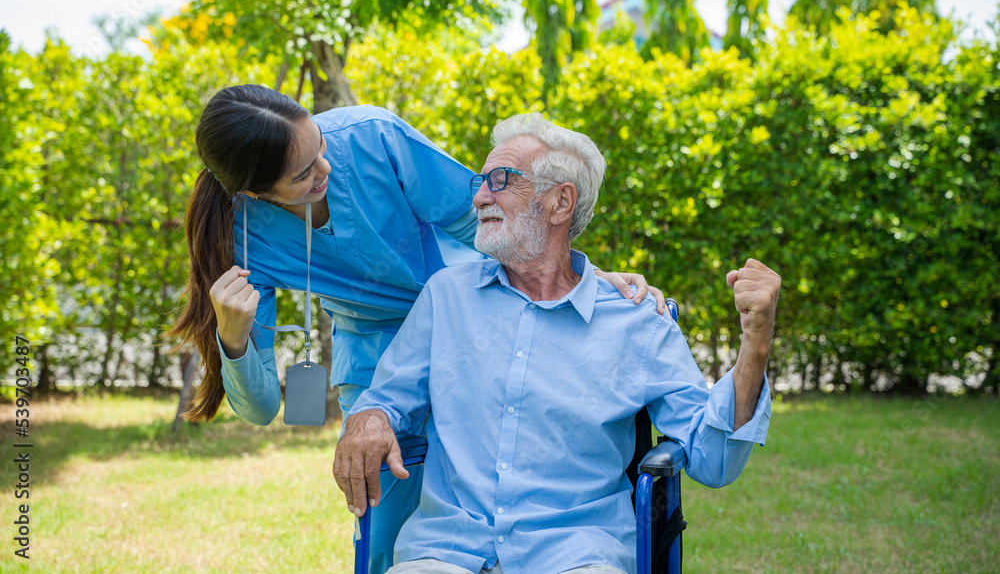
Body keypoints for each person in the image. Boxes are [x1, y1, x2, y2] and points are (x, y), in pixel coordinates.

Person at [168, 85, 668, 574]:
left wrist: (579, 276)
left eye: (320, 146)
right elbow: (258, 409)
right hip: (374, 363)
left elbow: (480, 214)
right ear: (256, 192)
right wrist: (232, 338)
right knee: (390, 545)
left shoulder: (371, 137)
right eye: (304, 173)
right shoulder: (240, 238)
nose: (327, 168)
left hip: (474, 331)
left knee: (505, 503)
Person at [333, 112, 782, 574]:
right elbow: (386, 399)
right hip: (446, 552)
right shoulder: (446, 297)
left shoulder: (636, 322)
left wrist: (756, 345)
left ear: (559, 202)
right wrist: (369, 417)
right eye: (480, 182)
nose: (480, 196)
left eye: (500, 179)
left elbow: (713, 459)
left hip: (576, 557)